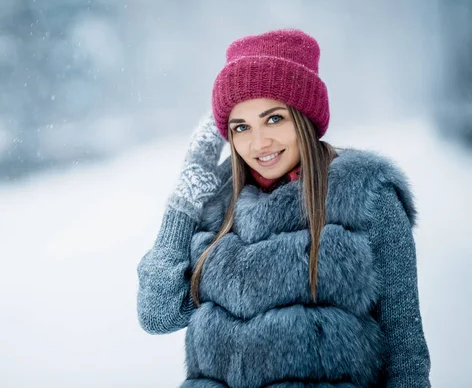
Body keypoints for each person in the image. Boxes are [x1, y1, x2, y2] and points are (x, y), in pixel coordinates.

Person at [136, 29, 431, 387]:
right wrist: (185, 198)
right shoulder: (221, 208)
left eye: (274, 119)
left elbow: (406, 356)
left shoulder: (366, 196)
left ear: (304, 116)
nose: (259, 143)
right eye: (241, 127)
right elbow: (157, 314)